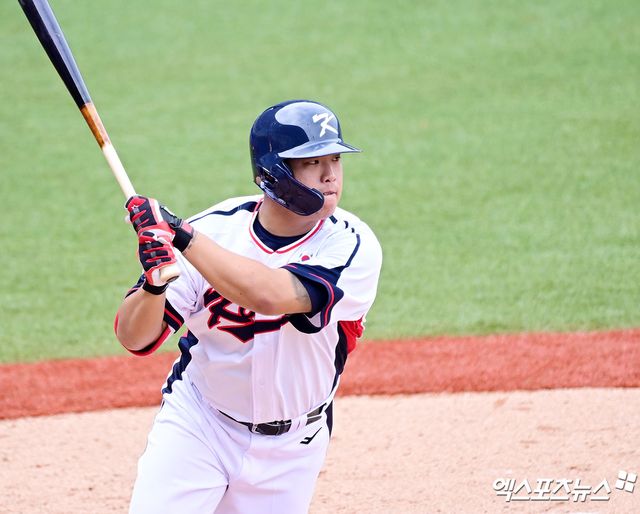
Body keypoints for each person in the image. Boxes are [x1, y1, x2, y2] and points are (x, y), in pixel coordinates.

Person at [115, 99, 382, 514]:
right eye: (313, 162)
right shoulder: (216, 230)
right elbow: (135, 339)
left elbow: (270, 295)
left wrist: (182, 236)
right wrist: (154, 284)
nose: (331, 174)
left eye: (335, 159)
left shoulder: (351, 245)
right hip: (200, 425)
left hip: (294, 447)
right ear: (274, 172)